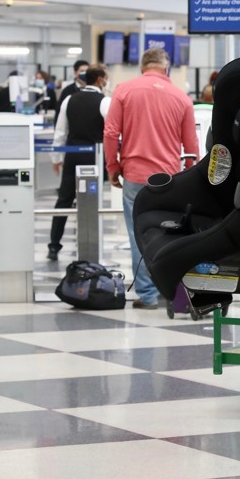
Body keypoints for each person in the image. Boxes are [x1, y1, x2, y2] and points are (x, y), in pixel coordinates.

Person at [104, 48, 198, 309]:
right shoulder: (182, 98)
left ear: (143, 67)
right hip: (169, 179)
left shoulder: (124, 91)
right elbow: (190, 148)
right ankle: (168, 291)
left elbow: (111, 133)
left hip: (134, 175)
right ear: (166, 68)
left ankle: (146, 295)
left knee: (138, 234)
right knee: (169, 234)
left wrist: (112, 166)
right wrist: (190, 175)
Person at [47, 64, 110, 261]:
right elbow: (112, 132)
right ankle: (91, 246)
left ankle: (54, 245)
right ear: (100, 79)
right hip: (94, 157)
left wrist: (56, 159)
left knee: (64, 199)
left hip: (72, 155)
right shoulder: (105, 101)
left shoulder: (69, 100)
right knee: (92, 201)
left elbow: (60, 133)